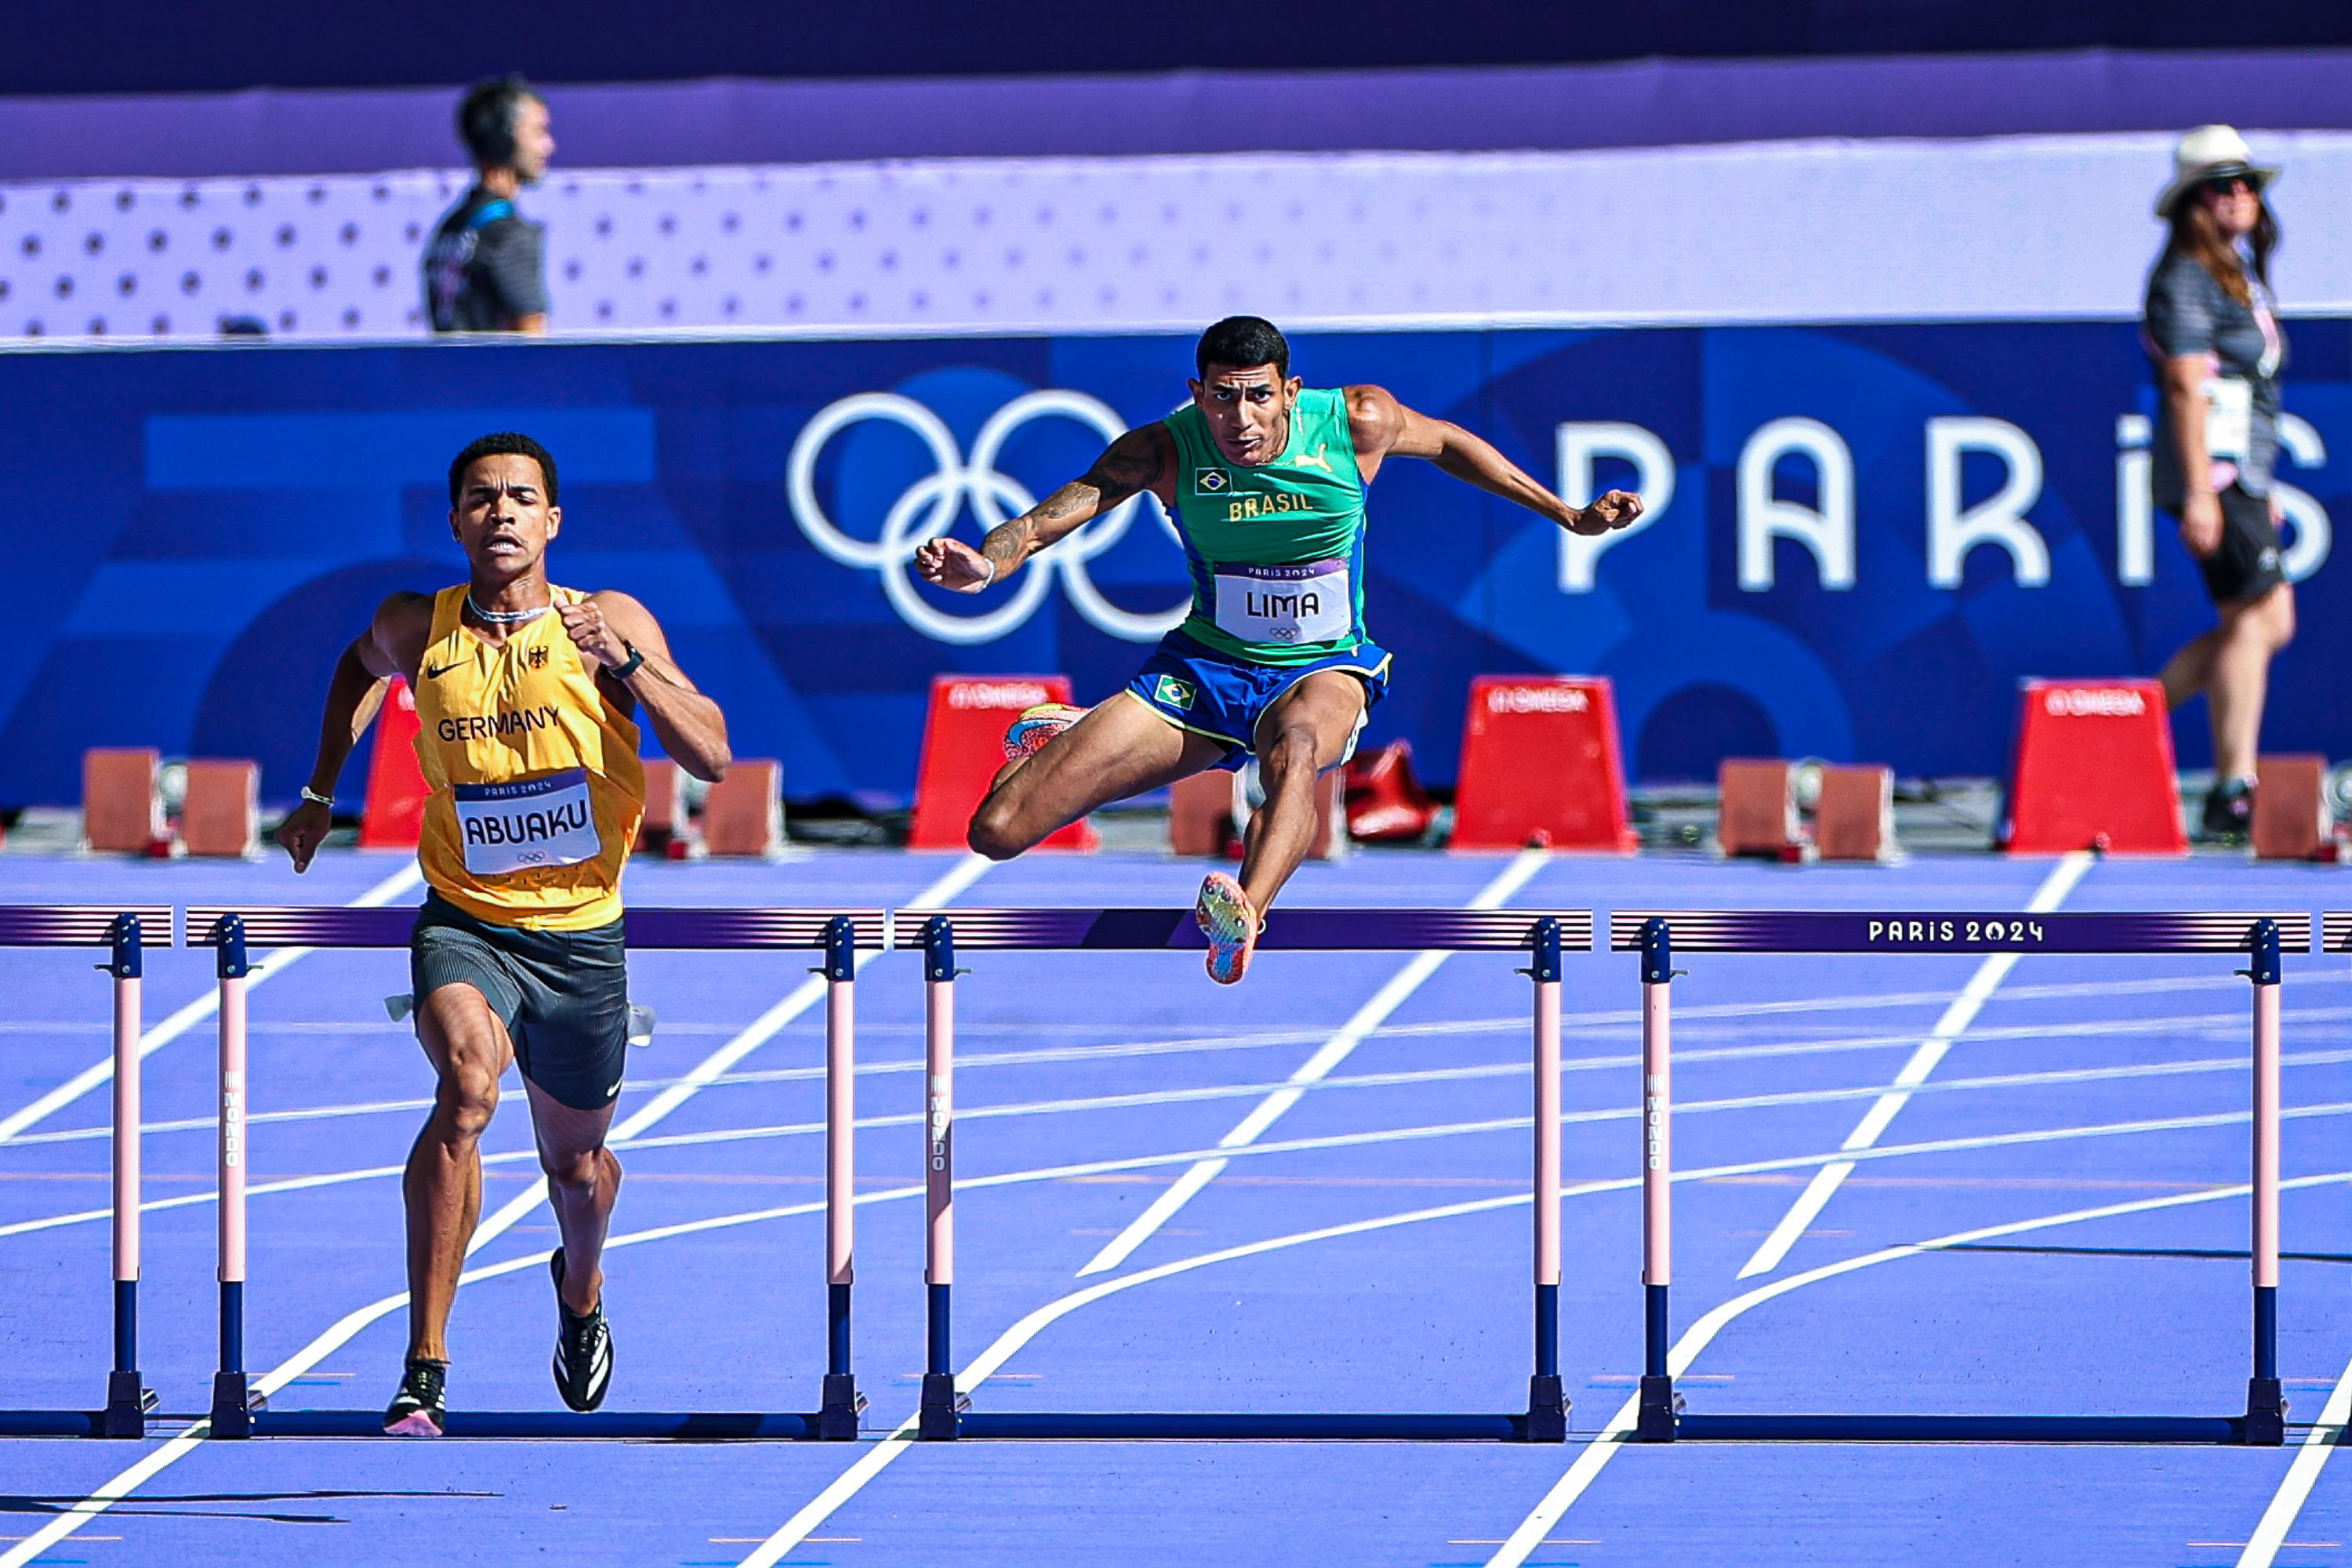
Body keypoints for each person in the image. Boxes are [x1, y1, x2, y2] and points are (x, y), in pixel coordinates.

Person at [916, 315, 1641, 983]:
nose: (1240, 420)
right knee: (997, 831)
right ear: (1197, 393)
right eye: (1223, 399)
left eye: (1259, 398)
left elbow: (1451, 443)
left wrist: (1568, 515)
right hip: (1203, 669)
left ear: (1290, 391)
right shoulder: (1164, 449)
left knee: (1294, 749)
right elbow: (1048, 518)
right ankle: (1077, 732)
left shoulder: (1357, 420)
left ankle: (1242, 914)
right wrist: (988, 563)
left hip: (1325, 667)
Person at [275, 432, 731, 1435]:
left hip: (580, 934)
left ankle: (579, 1285)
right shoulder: (415, 625)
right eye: (482, 498)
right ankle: (425, 1363)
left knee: (577, 1172)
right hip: (465, 918)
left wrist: (633, 666)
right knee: (469, 1088)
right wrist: (319, 791)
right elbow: (356, 669)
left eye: (523, 497)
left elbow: (712, 756)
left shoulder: (604, 622)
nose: (503, 512)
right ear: (456, 521)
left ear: (553, 521)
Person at [2144, 125, 2295, 840]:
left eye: (2247, 185)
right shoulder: (2183, 278)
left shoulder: (2234, 270)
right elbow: (2184, 387)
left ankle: (2122, 721)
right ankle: (2233, 784)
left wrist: (2256, 489)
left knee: (2270, 620)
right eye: (2222, 186)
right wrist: (2204, 492)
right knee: (2252, 617)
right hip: (2216, 472)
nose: (2239, 197)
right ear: (2192, 202)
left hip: (2244, 474)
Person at [423, 75, 555, 333]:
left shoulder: (451, 226)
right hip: (495, 373)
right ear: (504, 137)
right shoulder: (508, 234)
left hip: (447, 372)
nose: (548, 146)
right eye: (538, 132)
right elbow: (532, 343)